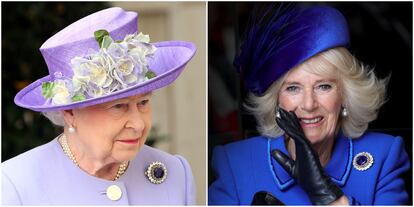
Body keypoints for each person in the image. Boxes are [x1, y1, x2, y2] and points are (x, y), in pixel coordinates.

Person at [208, 4, 410, 205]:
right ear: (275, 100)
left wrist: (326, 194)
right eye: (293, 88)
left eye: (323, 86)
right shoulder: (235, 163)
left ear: (345, 95)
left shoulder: (384, 157)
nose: (309, 104)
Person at [2, 7, 197, 205]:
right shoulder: (15, 185)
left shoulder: (176, 175)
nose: (138, 124)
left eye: (143, 102)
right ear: (70, 112)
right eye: (119, 106)